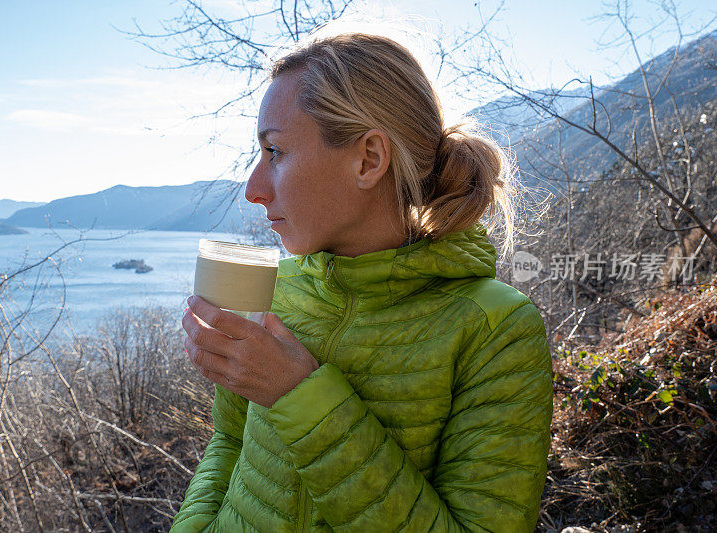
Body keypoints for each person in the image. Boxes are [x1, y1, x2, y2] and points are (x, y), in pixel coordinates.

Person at [172, 31, 553, 533]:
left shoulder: (496, 330)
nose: (253, 189)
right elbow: (228, 441)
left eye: (275, 153)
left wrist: (298, 397)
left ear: (369, 159)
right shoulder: (279, 288)